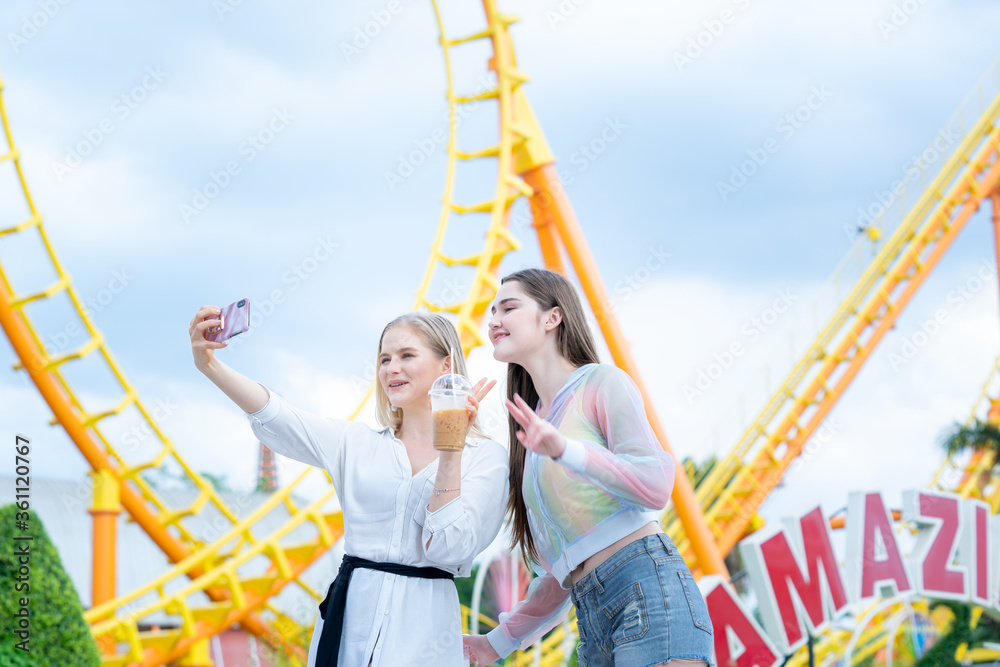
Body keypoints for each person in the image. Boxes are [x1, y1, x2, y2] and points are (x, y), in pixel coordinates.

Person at [188, 307, 509, 667]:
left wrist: (451, 448)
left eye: (406, 355)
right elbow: (278, 416)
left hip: (425, 629)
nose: (391, 368)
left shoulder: (487, 458)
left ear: (445, 365)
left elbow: (450, 548)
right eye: (384, 359)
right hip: (350, 618)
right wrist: (210, 366)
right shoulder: (356, 443)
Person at [463, 268, 714, 667]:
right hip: (591, 616)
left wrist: (567, 451)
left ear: (552, 318)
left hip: (646, 590)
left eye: (508, 308)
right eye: (491, 310)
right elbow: (563, 570)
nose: (493, 320)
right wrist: (494, 644)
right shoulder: (530, 438)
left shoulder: (602, 383)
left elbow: (655, 485)